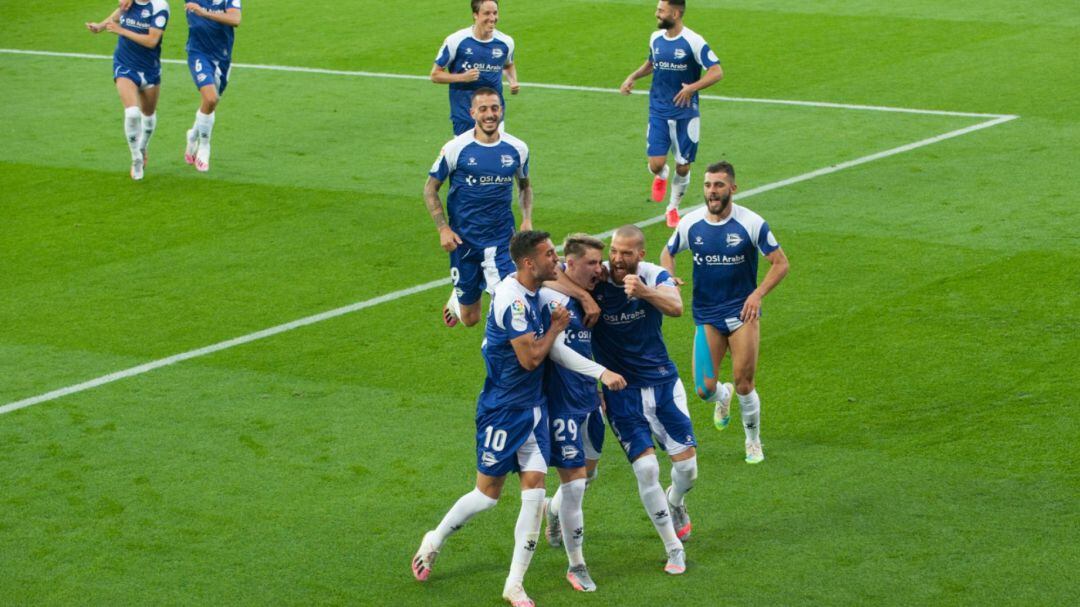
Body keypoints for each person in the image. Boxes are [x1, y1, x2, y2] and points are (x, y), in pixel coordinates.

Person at [411, 231, 568, 607]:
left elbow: (570, 284)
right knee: (487, 496)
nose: (556, 259)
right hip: (502, 410)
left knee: (534, 494)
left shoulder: (531, 291)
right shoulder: (512, 300)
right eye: (549, 254)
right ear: (529, 263)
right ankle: (434, 539)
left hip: (533, 409)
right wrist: (556, 328)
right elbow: (529, 359)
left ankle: (514, 584)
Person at [556, 225, 696, 574]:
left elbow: (677, 307)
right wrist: (586, 297)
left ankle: (675, 501)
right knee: (647, 468)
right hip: (621, 391)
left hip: (663, 382)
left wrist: (646, 292)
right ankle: (672, 547)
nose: (616, 260)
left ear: (640, 256)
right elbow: (548, 275)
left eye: (625, 253)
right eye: (614, 252)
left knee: (687, 469)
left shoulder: (651, 275)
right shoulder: (596, 278)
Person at [661, 161, 789, 464]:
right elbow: (668, 252)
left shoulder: (751, 223)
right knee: (704, 389)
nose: (712, 192)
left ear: (732, 188)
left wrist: (757, 294)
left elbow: (780, 263)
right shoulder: (691, 224)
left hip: (742, 314)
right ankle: (722, 396)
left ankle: (752, 441)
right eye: (707, 185)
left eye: (718, 185)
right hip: (707, 315)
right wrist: (668, 280)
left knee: (745, 382)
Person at [538, 234, 627, 592]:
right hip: (562, 405)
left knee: (586, 478)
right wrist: (601, 374)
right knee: (574, 485)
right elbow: (558, 351)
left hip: (590, 401)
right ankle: (577, 565)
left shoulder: (590, 287)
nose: (599, 268)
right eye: (591, 263)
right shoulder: (550, 297)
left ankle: (553, 510)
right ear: (567, 264)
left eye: (598, 262)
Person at [424, 87, 533, 329]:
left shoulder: (517, 148)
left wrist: (526, 219)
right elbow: (430, 188)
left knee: (511, 307)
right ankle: (457, 300)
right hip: (464, 243)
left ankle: (501, 350)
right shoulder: (456, 148)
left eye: (494, 108)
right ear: (472, 112)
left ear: (501, 110)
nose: (489, 114)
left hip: (502, 241)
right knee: (470, 319)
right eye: (483, 109)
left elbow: (524, 186)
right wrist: (443, 229)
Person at [619, 0, 723, 228]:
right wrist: (632, 77)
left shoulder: (693, 41)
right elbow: (651, 62)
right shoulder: (656, 38)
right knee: (656, 164)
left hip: (685, 114)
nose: (656, 14)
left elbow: (716, 71)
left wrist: (691, 88)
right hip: (658, 110)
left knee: (683, 166)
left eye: (661, 11)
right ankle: (662, 175)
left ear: (675, 13)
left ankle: (672, 207)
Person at [86, 0, 171, 181]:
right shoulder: (128, 2)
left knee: (148, 116)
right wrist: (101, 26)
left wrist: (121, 30)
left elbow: (152, 41)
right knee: (132, 113)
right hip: (125, 65)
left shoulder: (159, 7)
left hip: (150, 70)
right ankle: (136, 158)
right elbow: (120, 12)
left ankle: (143, 146)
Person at [432, 0, 519, 135]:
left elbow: (508, 65)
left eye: (495, 13)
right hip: (465, 116)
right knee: (465, 155)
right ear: (475, 15)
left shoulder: (506, 42)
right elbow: (435, 75)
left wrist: (513, 81)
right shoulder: (456, 41)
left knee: (493, 154)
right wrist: (462, 77)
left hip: (494, 115)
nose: (492, 18)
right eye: (487, 13)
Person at [181, 0, 241, 172]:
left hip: (222, 58)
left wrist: (203, 13)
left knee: (210, 104)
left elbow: (235, 19)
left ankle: (193, 135)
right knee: (211, 98)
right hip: (198, 54)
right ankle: (204, 147)